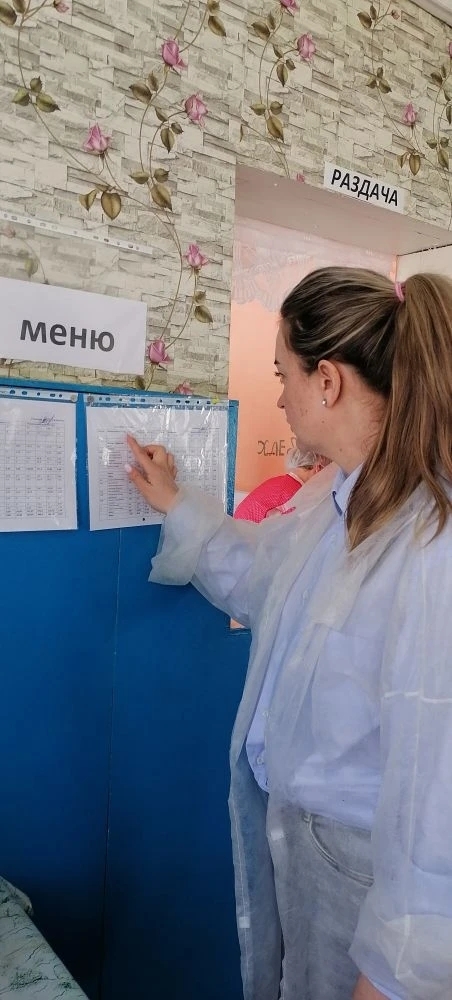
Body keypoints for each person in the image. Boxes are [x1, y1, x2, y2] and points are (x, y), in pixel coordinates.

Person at [125, 267, 452, 1000]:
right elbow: (264, 578)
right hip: (315, 854)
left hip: (376, 885)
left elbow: (441, 799)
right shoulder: (339, 499)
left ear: (326, 381)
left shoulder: (432, 542)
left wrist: (399, 976)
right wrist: (176, 501)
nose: (279, 397)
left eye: (284, 375)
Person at [234, 449, 326, 522]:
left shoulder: (279, 481)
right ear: (317, 468)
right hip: (248, 536)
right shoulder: (296, 492)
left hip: (237, 529)